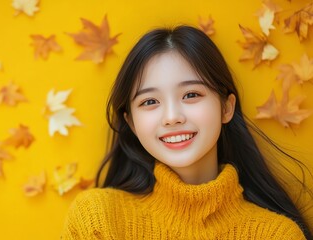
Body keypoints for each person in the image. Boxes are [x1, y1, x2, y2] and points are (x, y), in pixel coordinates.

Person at [61, 25, 313, 239]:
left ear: (226, 107)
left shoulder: (276, 234)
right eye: (149, 101)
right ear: (132, 123)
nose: (172, 117)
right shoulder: (99, 219)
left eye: (191, 95)